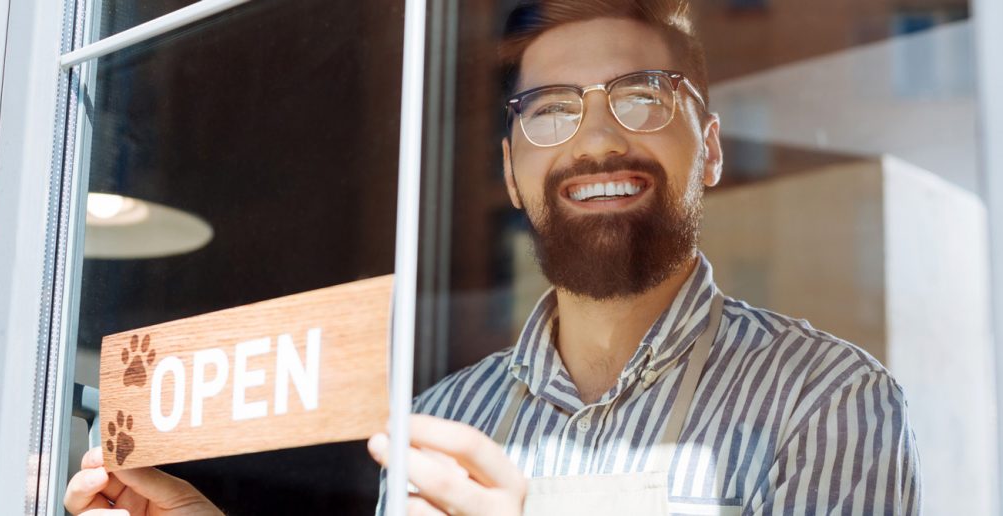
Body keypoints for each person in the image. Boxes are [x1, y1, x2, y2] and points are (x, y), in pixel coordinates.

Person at [65, 0, 921, 514]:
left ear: (711, 149)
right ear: (513, 174)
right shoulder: (441, 423)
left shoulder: (832, 402)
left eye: (643, 97)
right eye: (549, 109)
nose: (595, 137)